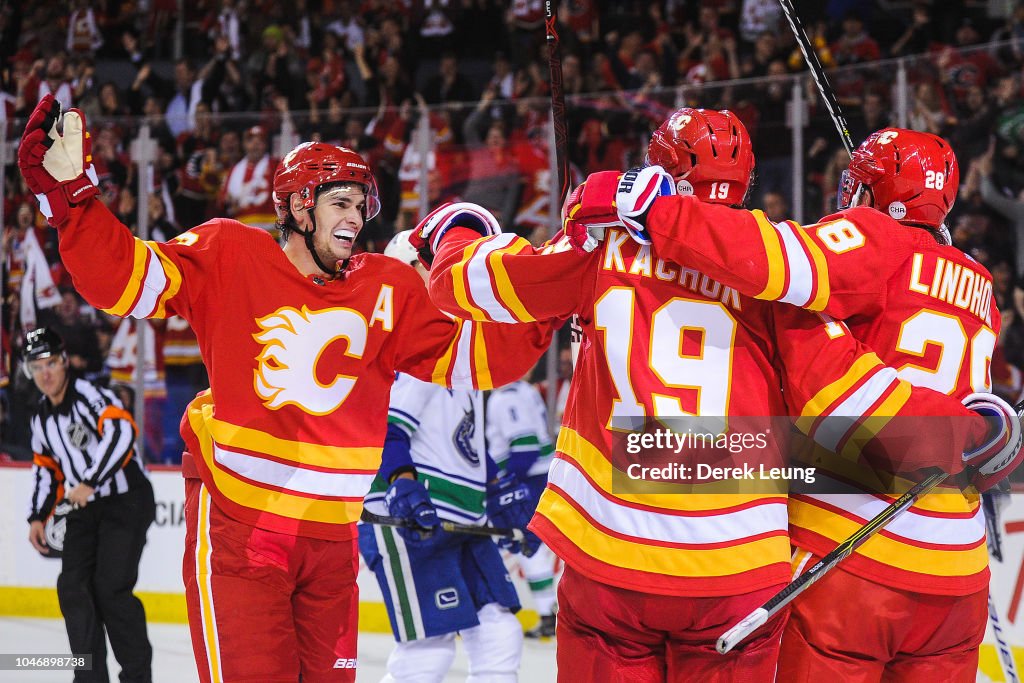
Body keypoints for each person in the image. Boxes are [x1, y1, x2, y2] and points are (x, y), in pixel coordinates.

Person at [411, 109, 1018, 681]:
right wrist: (973, 435)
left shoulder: (602, 249)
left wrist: (457, 232)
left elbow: (465, 286)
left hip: (616, 545)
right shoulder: (785, 282)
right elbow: (824, 392)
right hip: (748, 557)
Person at [17, 94, 553, 682]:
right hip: (244, 526)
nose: (354, 217)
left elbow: (485, 360)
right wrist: (76, 207)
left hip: (331, 539)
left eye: (360, 206)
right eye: (339, 203)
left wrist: (549, 298)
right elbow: (125, 279)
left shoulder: (389, 288)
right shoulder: (230, 253)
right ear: (299, 205)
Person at [358, 229, 534, 682]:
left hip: (463, 520)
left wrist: (501, 494)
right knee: (427, 651)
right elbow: (387, 430)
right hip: (408, 522)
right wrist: (402, 486)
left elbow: (463, 441)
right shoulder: (407, 349)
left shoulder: (460, 349)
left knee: (500, 633)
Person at [25, 327, 155, 683]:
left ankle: (136, 678)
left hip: (126, 501)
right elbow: (46, 470)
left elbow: (122, 432)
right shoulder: (41, 417)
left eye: (51, 363)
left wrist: (89, 481)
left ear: (64, 362)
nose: (46, 374)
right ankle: (89, 677)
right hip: (85, 509)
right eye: (37, 368)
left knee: (110, 589)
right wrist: (37, 516)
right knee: (72, 586)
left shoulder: (88, 394)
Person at [485, 372, 558, 638]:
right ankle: (547, 611)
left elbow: (525, 447)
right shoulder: (522, 389)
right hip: (535, 477)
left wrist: (503, 484)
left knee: (526, 547)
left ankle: (545, 612)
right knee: (526, 546)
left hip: (526, 480)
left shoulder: (507, 397)